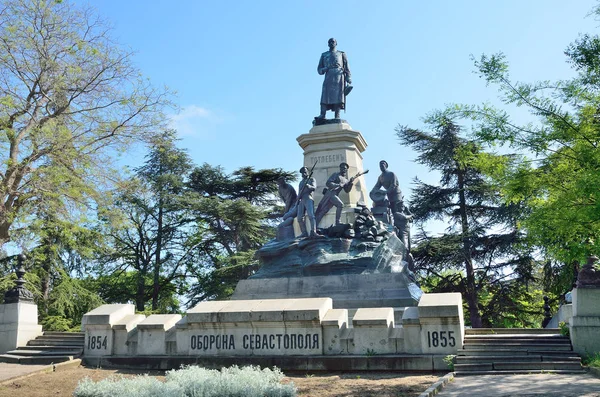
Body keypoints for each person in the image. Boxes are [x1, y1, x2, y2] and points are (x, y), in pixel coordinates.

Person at [316, 38, 351, 120]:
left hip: (339, 76)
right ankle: (322, 114)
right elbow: (319, 69)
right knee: (325, 95)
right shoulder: (324, 55)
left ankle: (337, 115)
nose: (331, 43)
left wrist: (349, 78)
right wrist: (325, 69)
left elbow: (347, 67)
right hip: (329, 76)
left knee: (338, 95)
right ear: (328, 44)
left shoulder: (341, 54)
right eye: (330, 42)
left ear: (336, 43)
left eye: (333, 42)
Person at [297, 166, 317, 238]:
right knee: (299, 218)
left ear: (307, 172)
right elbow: (299, 192)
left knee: (311, 215)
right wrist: (298, 198)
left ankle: (313, 231)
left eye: (305, 172)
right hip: (302, 199)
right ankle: (304, 233)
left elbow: (314, 187)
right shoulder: (301, 182)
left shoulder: (311, 179)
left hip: (308, 198)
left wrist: (308, 186)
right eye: (302, 173)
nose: (303, 174)